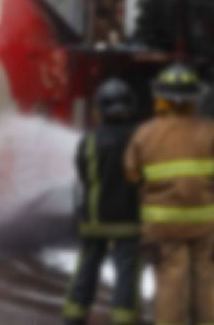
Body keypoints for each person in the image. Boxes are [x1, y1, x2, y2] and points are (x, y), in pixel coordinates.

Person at [125, 63, 214, 325]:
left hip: (164, 226)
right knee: (206, 288)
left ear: (160, 98)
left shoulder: (144, 134)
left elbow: (131, 173)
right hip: (207, 226)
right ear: (194, 99)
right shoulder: (211, 130)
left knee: (170, 289)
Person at [62, 78, 142, 325]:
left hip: (95, 218)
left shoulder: (89, 140)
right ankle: (124, 319)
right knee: (126, 273)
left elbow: (83, 175)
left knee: (87, 268)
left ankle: (74, 315)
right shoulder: (139, 139)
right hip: (129, 220)